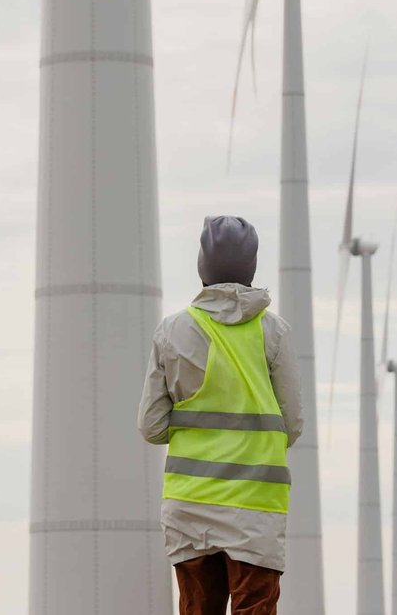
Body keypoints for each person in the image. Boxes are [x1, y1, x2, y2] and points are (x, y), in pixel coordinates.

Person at [138, 215, 303, 615]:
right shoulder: (274, 332)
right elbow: (292, 424)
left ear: (202, 265)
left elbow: (151, 426)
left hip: (190, 509)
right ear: (252, 265)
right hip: (256, 509)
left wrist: (192, 421)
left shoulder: (172, 331)